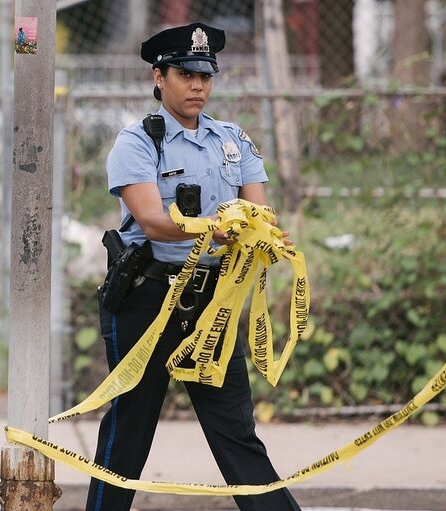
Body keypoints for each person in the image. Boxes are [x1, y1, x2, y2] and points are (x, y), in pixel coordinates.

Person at [88, 22, 302, 511]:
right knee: (127, 436)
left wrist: (264, 235)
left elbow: (259, 210)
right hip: (147, 300)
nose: (199, 85)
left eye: (206, 75)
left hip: (211, 305)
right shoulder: (138, 142)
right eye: (186, 74)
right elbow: (153, 221)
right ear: (159, 78)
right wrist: (214, 230)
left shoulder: (232, 140)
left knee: (237, 434)